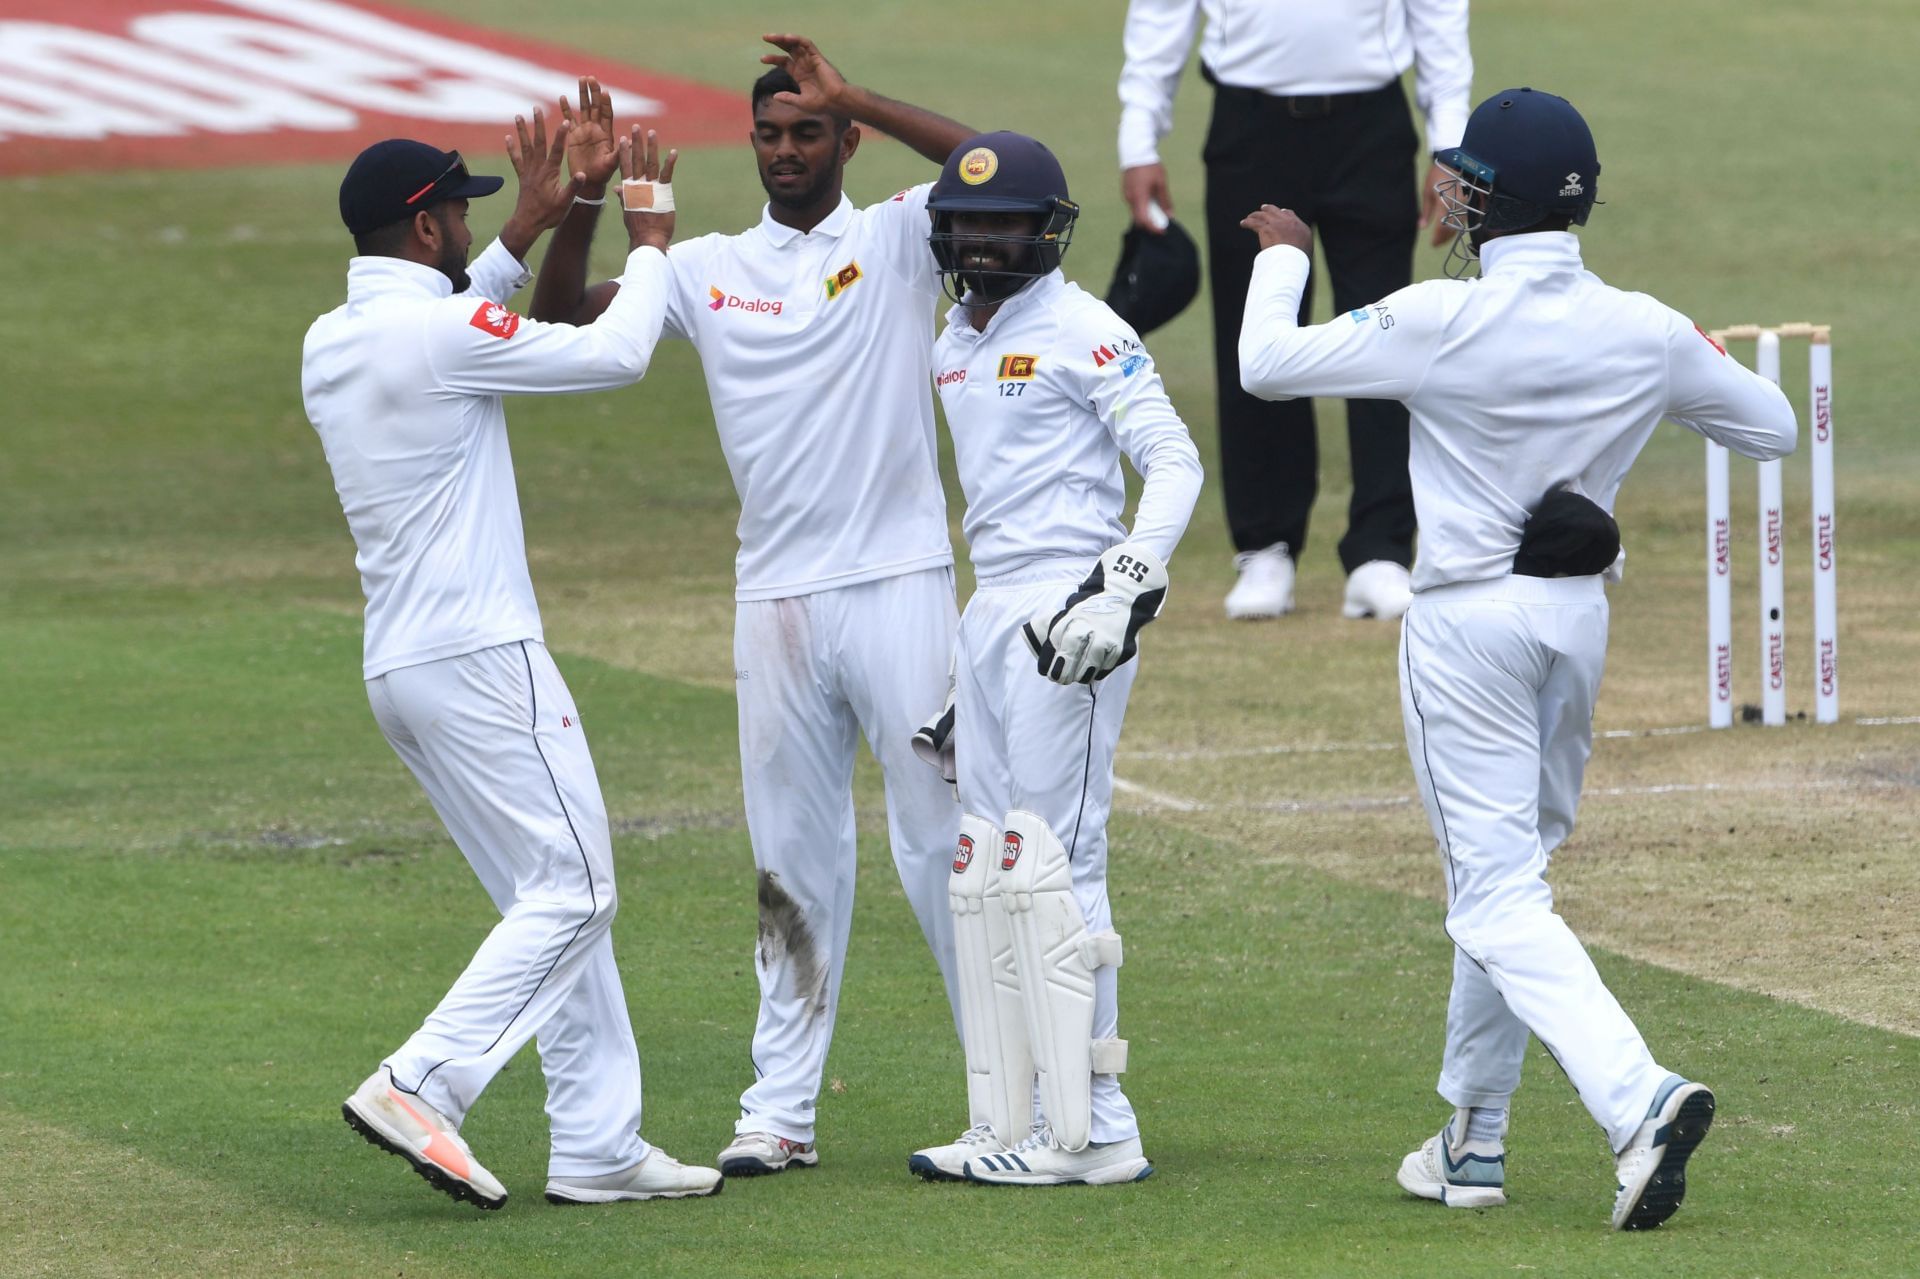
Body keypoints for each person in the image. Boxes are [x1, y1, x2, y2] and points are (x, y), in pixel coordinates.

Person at [1237, 87, 1796, 1228]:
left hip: (1467, 627)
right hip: (1574, 622)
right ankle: (1472, 1141)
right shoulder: (1642, 326)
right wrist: (1684, 360)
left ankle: (1638, 1099)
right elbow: (1775, 427)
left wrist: (1286, 259)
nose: (1449, 197)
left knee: (1493, 898)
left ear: (1492, 202)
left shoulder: (1444, 314)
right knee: (1507, 885)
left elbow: (1265, 367)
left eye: (1465, 184)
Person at [528, 47, 978, 1176]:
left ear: (845, 145)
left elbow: (991, 165)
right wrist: (593, 201)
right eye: (773, 136)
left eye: (810, 134)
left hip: (899, 586)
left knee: (944, 845)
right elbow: (562, 321)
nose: (787, 152)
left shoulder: (897, 237)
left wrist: (860, 90)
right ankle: (780, 1111)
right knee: (789, 864)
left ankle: (1010, 1092)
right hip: (772, 600)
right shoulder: (703, 264)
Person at [305, 112, 721, 1208]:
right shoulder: (441, 337)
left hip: (405, 668)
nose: (471, 221)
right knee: (579, 889)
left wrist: (535, 224)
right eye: (463, 210)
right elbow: (618, 352)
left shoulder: (334, 339)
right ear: (426, 225)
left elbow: (453, 318)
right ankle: (422, 1081)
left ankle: (596, 1143)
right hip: (483, 657)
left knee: (554, 894)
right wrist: (650, 236)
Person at [904, 132, 1202, 1187]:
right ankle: (1019, 1114)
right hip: (991, 614)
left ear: (1045, 230)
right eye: (965, 223)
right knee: (989, 866)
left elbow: (1173, 461)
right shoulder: (953, 339)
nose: (981, 241)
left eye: (1002, 223)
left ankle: (1100, 1125)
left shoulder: (1086, 328)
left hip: (1070, 612)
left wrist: (1122, 586)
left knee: (1059, 862)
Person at [1116, 0, 1473, 621]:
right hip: (1251, 127)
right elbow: (1161, 12)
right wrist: (1138, 139)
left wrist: (1451, 143)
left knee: (1388, 330)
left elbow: (1439, 14)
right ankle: (1265, 546)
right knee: (1252, 324)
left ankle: (1382, 549)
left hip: (1372, 125)